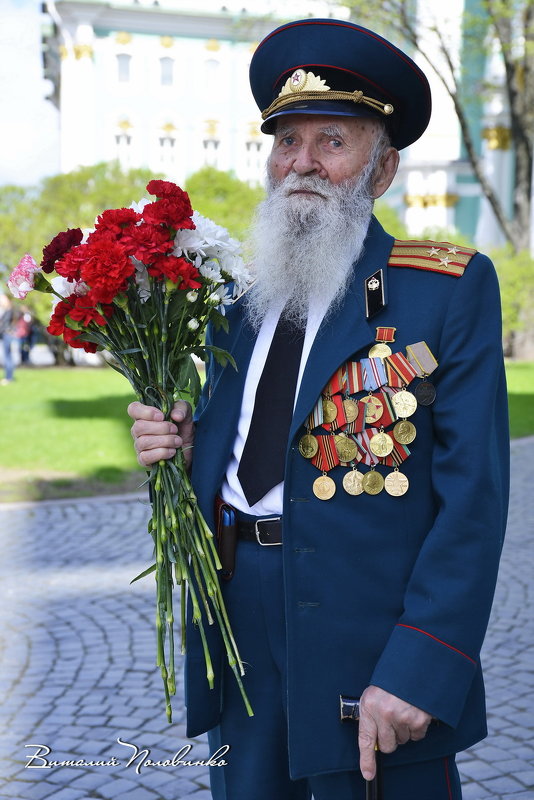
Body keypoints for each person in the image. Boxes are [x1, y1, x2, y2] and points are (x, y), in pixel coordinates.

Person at [128, 18, 509, 800]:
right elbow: (261, 447)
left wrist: (421, 665)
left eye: (331, 142)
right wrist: (183, 443)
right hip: (239, 630)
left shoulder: (443, 289)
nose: (301, 164)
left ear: (382, 168)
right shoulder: (237, 299)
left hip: (367, 640)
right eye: (286, 142)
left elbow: (474, 500)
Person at [0, 293, 17, 384]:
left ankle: (8, 377)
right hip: (7, 334)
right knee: (8, 356)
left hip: (7, 334)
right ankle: (8, 377)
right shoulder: (8, 310)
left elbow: (4, 325)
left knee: (7, 356)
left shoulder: (8, 310)